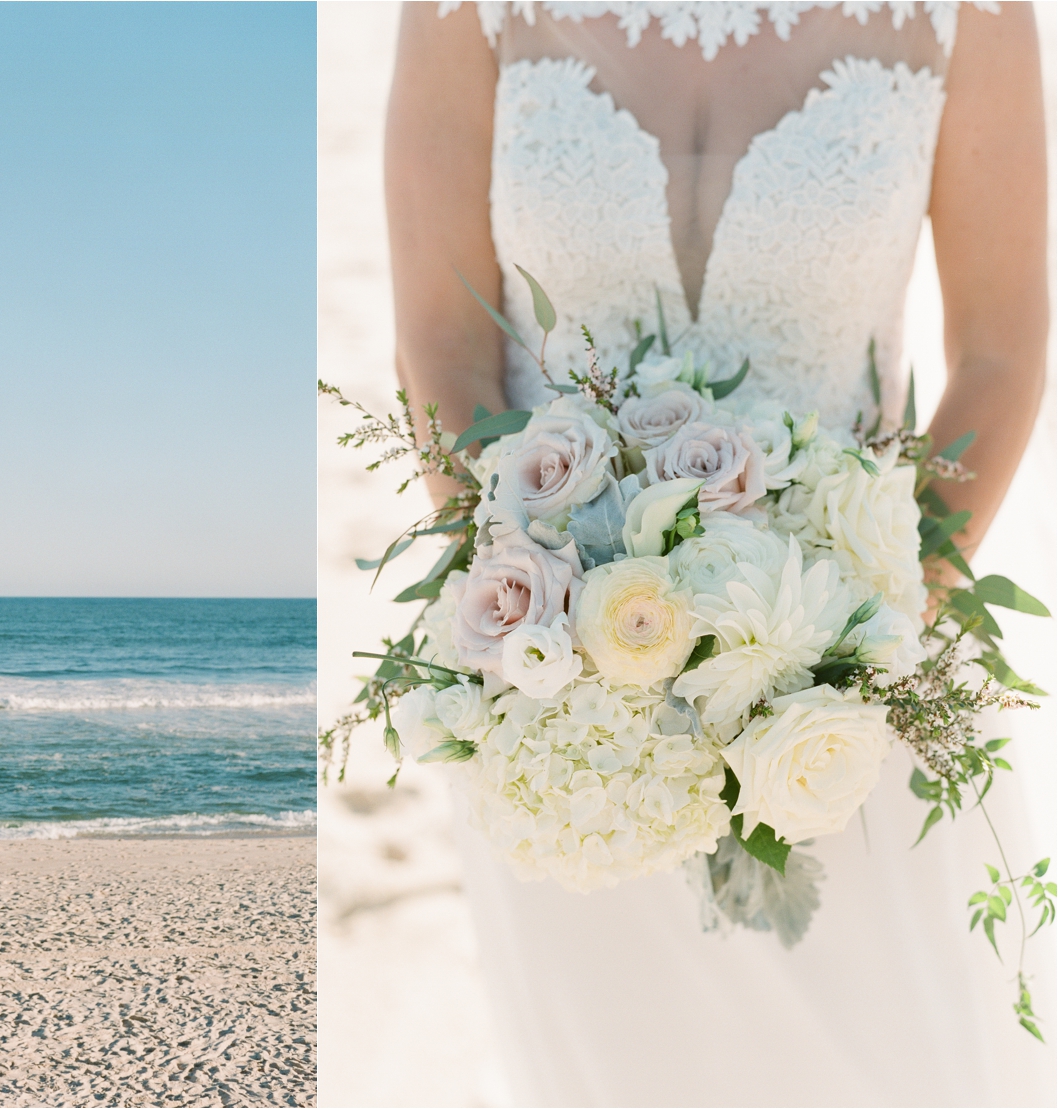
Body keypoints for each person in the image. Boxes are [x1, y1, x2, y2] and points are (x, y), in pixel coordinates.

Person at [383, 2, 1054, 1104]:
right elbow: (444, 338)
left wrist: (863, 644)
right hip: (565, 722)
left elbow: (998, 347)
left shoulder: (969, 15)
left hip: (848, 713)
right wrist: (527, 628)